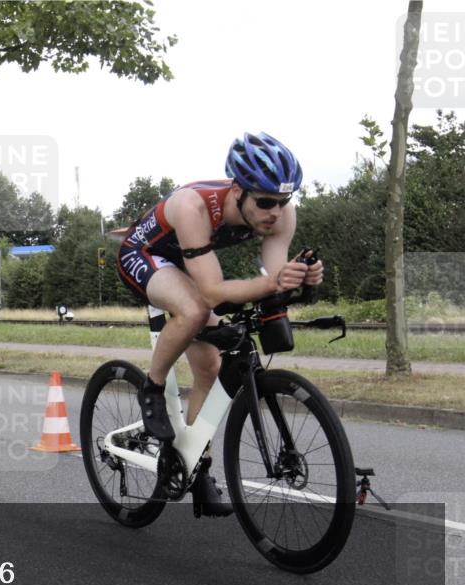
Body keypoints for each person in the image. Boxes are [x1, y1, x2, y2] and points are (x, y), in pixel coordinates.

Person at [116, 132, 323, 517]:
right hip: (145, 255)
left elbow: (273, 279)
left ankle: (197, 470)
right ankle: (153, 388)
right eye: (264, 202)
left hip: (190, 263)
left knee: (210, 368)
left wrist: (301, 280)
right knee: (194, 310)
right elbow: (211, 293)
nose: (275, 213)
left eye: (283, 202)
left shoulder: (280, 214)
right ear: (238, 191)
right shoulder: (195, 206)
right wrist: (272, 282)